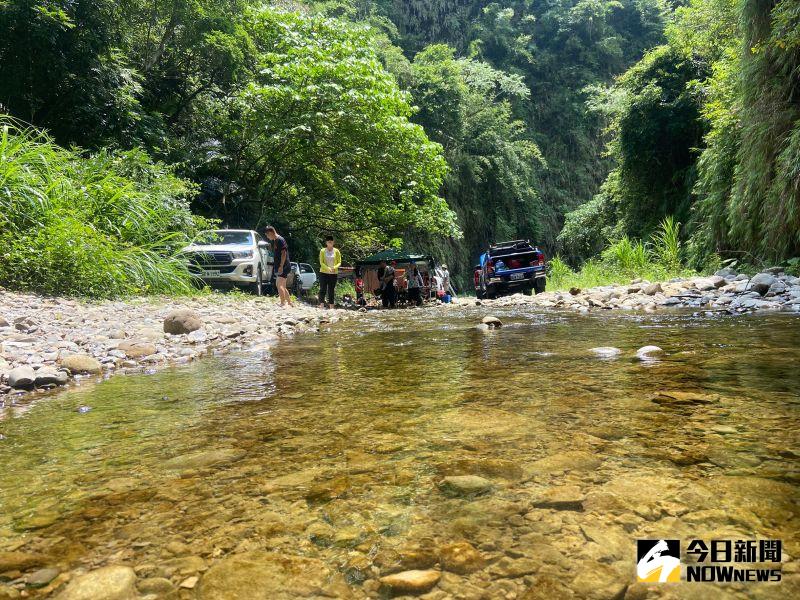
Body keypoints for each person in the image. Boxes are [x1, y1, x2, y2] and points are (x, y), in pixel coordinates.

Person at [265, 225, 293, 307]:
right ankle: (290, 303)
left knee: (279, 285)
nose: (267, 237)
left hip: (283, 266)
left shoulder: (280, 240)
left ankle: (282, 303)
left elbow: (283, 253)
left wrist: (281, 266)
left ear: (271, 232)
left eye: (267, 235)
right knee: (283, 285)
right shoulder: (276, 240)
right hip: (283, 266)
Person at [318, 235, 341, 308]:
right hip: (323, 273)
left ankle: (331, 307)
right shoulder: (322, 251)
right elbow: (321, 262)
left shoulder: (336, 251)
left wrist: (334, 267)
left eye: (331, 242)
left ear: (333, 242)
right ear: (326, 243)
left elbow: (339, 262)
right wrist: (328, 268)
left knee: (331, 290)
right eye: (328, 242)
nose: (330, 243)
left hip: (333, 273)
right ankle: (321, 305)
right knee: (322, 289)